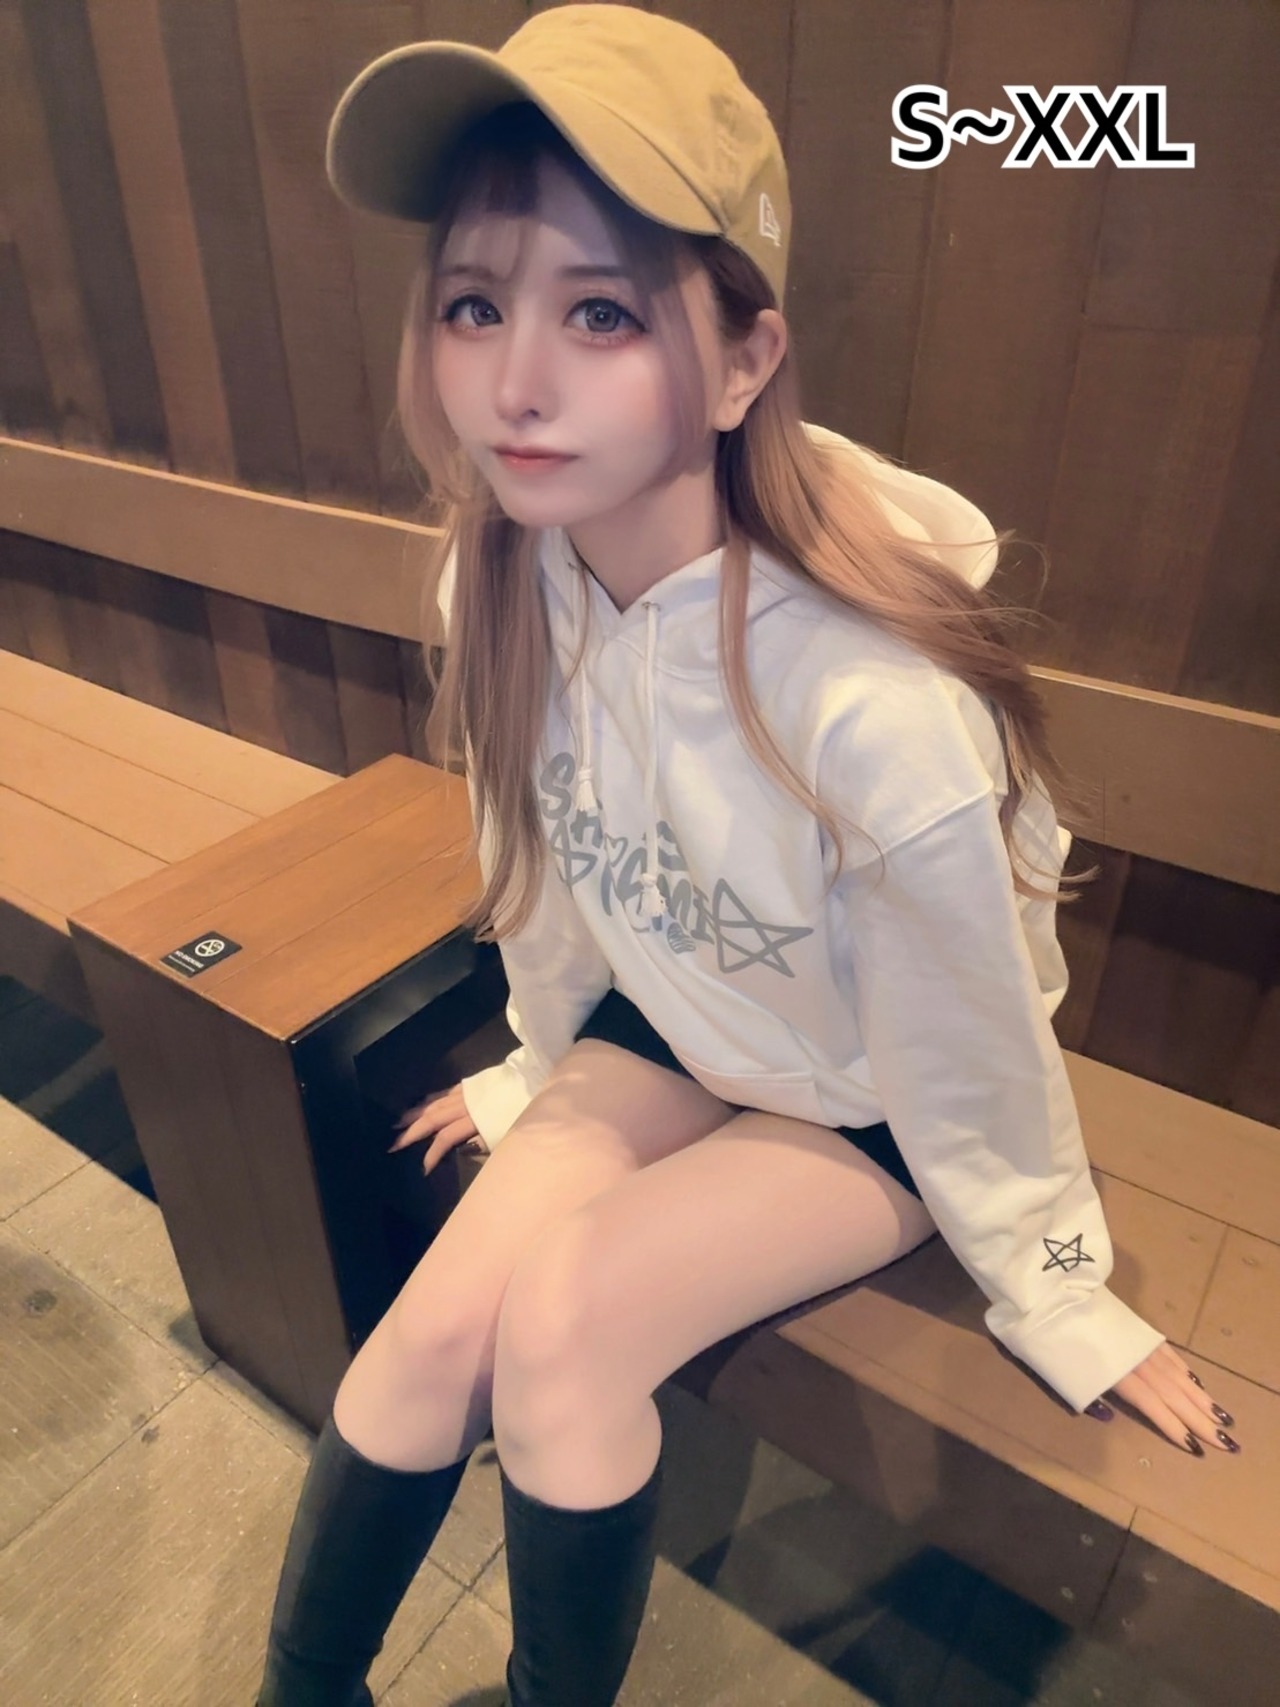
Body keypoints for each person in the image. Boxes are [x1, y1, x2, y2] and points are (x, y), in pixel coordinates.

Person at [256, 8, 1240, 1705]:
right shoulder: (502, 572)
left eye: (602, 312)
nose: (516, 380)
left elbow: (969, 1029)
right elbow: (561, 878)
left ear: (739, 362)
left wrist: (1064, 1292)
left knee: (563, 1336)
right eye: (476, 304)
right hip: (684, 1019)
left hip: (865, 1088)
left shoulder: (872, 695)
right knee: (426, 1343)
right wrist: (535, 1066)